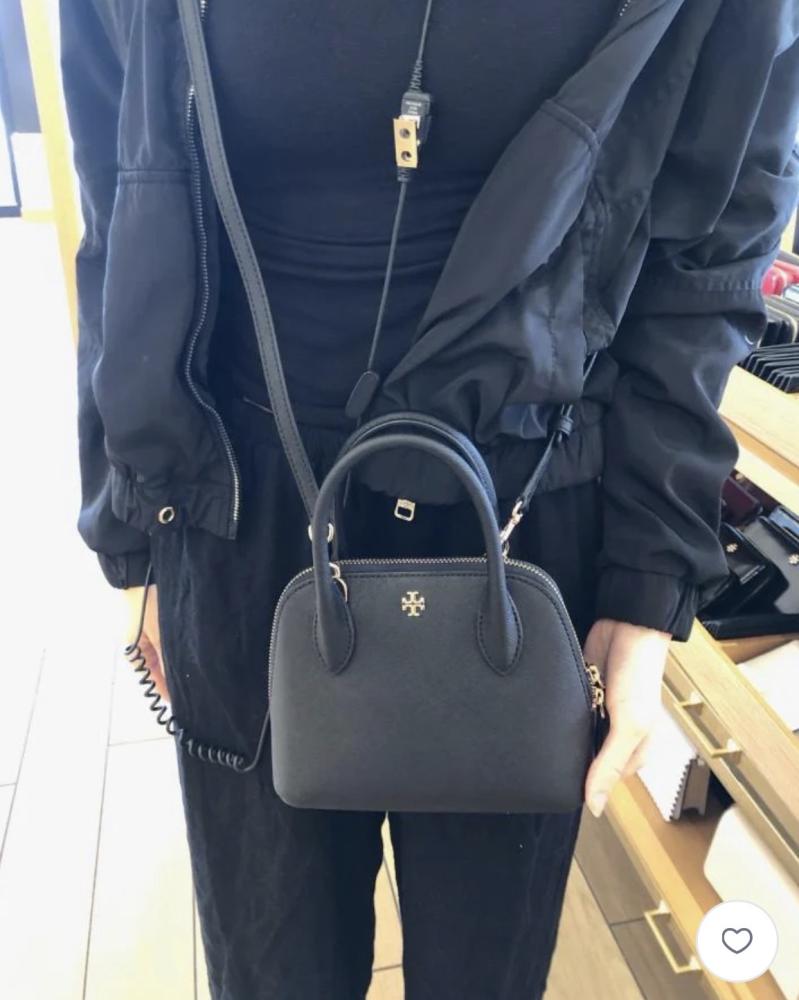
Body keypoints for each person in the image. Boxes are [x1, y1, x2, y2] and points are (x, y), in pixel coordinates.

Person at [59, 1, 799, 997]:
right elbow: (117, 204)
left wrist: (651, 572)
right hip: (238, 512)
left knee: (484, 972)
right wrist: (134, 527)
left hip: (530, 511)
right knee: (271, 967)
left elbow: (711, 249)